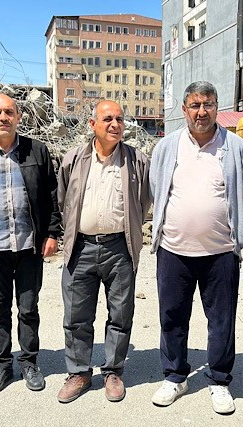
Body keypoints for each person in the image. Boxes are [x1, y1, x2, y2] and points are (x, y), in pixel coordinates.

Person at [149, 81, 243, 415]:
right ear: (184, 109)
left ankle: (219, 380)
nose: (201, 112)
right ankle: (176, 375)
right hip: (173, 249)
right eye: (194, 105)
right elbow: (156, 187)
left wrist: (229, 224)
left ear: (216, 107)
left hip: (220, 251)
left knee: (221, 320)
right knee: (172, 316)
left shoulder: (234, 146)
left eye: (207, 105)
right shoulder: (168, 146)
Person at [0, 93, 61, 395]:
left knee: (29, 307)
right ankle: (3, 364)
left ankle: (30, 362)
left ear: (19, 117)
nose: (3, 117)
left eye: (9, 112)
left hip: (30, 246)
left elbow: (51, 195)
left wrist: (52, 233)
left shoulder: (37, 151)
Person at [56, 100, 151, 403]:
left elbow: (144, 201)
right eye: (108, 118)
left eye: (120, 119)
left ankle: (113, 371)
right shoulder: (73, 159)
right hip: (81, 247)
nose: (115, 124)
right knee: (76, 316)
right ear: (92, 124)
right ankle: (79, 372)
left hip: (119, 248)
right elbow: (62, 201)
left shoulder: (136, 160)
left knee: (121, 315)